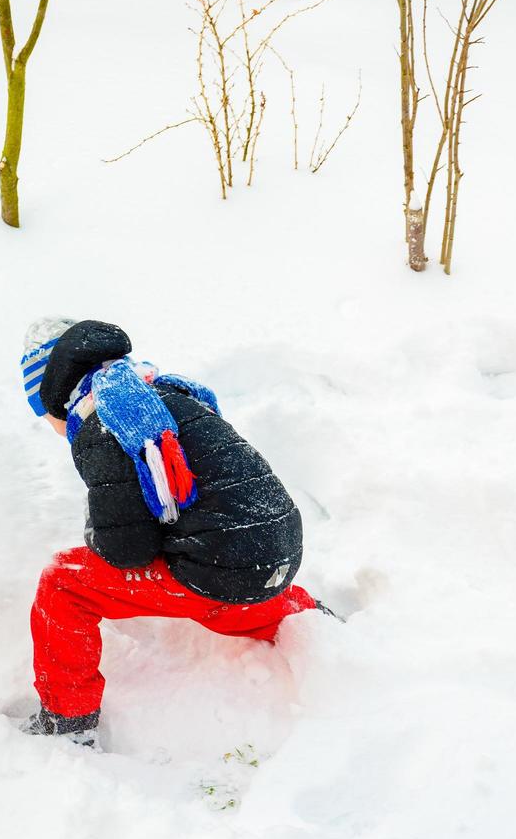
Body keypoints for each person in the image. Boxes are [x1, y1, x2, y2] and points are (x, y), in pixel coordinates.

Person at [18, 318, 324, 747]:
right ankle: (309, 617)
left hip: (218, 566)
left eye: (41, 411)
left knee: (64, 582)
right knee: (207, 565)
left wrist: (98, 533)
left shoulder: (105, 421)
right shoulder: (158, 397)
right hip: (274, 555)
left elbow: (127, 551)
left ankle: (67, 721)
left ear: (53, 395)